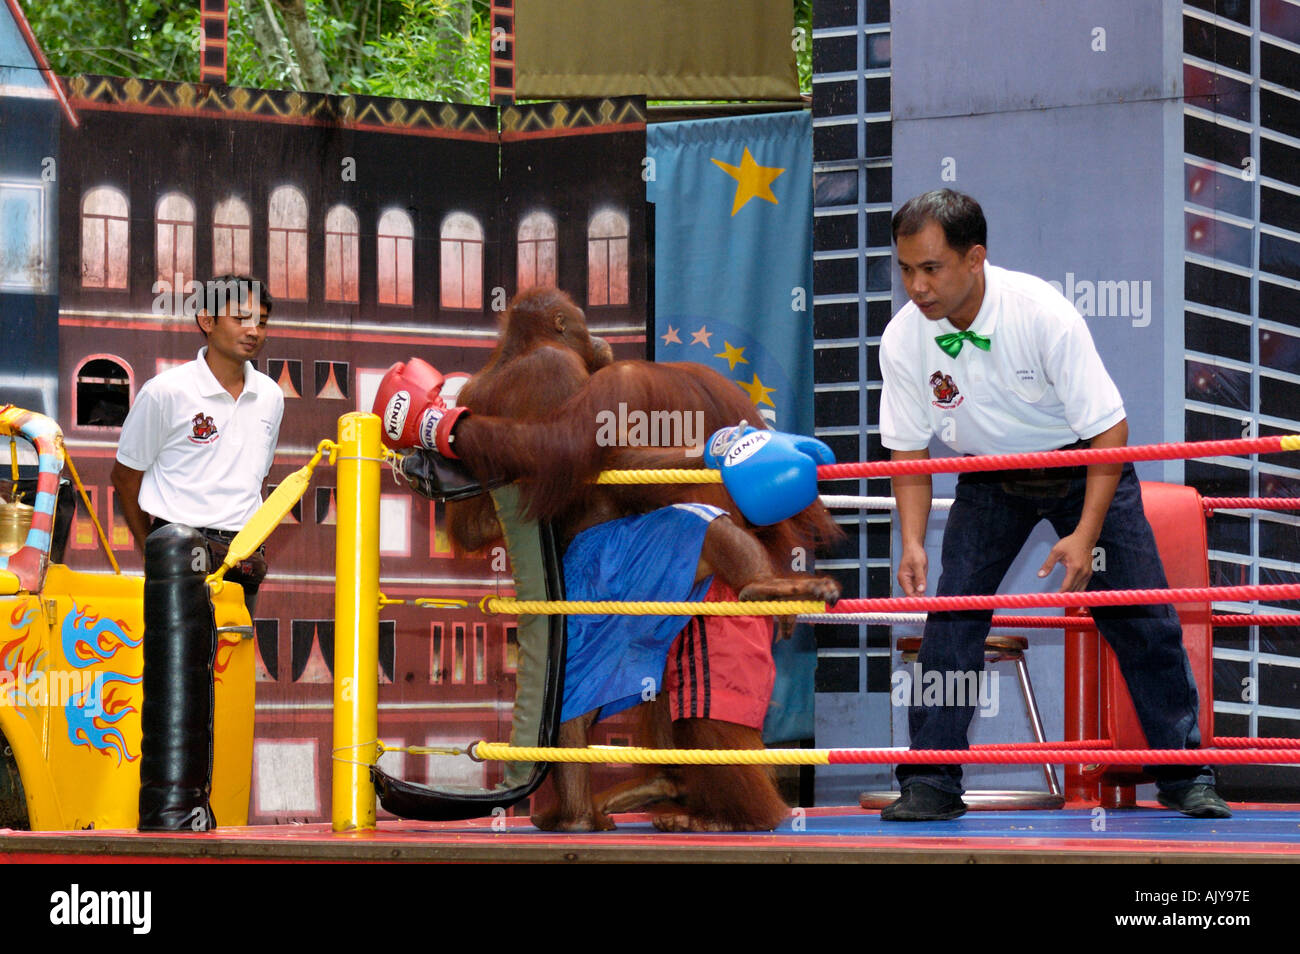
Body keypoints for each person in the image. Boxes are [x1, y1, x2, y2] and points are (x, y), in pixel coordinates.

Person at [878, 190, 1229, 820]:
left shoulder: (1042, 312)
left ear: (975, 258)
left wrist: (1086, 532)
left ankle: (1185, 774)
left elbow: (1110, 432)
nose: (916, 286)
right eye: (905, 269)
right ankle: (930, 779)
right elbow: (908, 453)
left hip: (1083, 470)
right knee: (950, 623)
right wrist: (910, 541)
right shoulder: (903, 338)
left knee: (1143, 619)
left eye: (931, 268)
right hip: (987, 480)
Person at [112, 275, 281, 614]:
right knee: (177, 664)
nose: (253, 332)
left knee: (233, 660)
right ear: (207, 320)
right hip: (178, 551)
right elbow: (125, 478)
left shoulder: (271, 396)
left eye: (261, 323)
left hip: (244, 559)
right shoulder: (165, 392)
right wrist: (154, 551)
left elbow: (256, 478)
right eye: (240, 319)